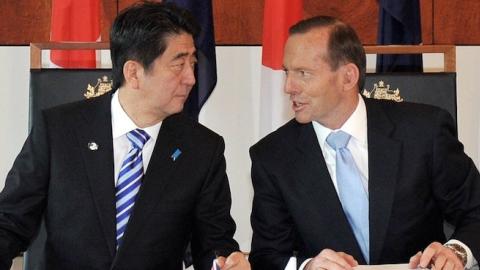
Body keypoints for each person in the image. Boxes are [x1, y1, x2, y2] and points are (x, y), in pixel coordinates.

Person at [0, 2, 250, 270]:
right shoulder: (59, 130)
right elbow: (11, 222)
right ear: (134, 73)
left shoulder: (201, 149)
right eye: (178, 65)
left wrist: (225, 263)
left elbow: (214, 242)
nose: (191, 78)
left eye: (193, 63)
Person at [249, 16, 480, 270]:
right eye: (287, 72)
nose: (288, 87)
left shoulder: (424, 132)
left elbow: (476, 211)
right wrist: (307, 267)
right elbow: (266, 256)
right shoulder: (273, 157)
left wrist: (457, 252)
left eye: (303, 73)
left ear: (348, 77)